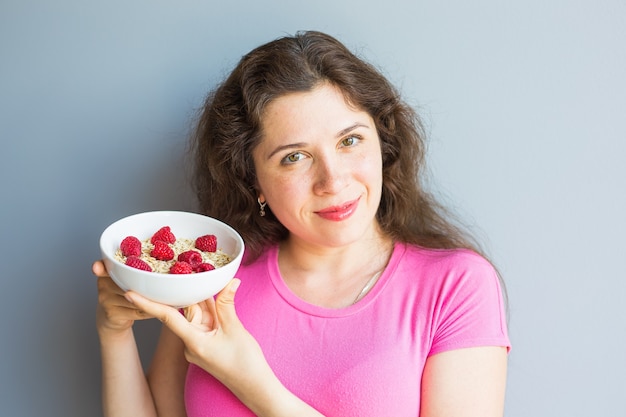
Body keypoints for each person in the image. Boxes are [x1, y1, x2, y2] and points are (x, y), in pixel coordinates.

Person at [93, 30, 511, 417]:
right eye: (294, 157)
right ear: (252, 180)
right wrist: (114, 333)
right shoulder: (213, 276)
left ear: (382, 144)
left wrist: (252, 383)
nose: (333, 181)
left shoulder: (456, 286)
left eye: (350, 141)